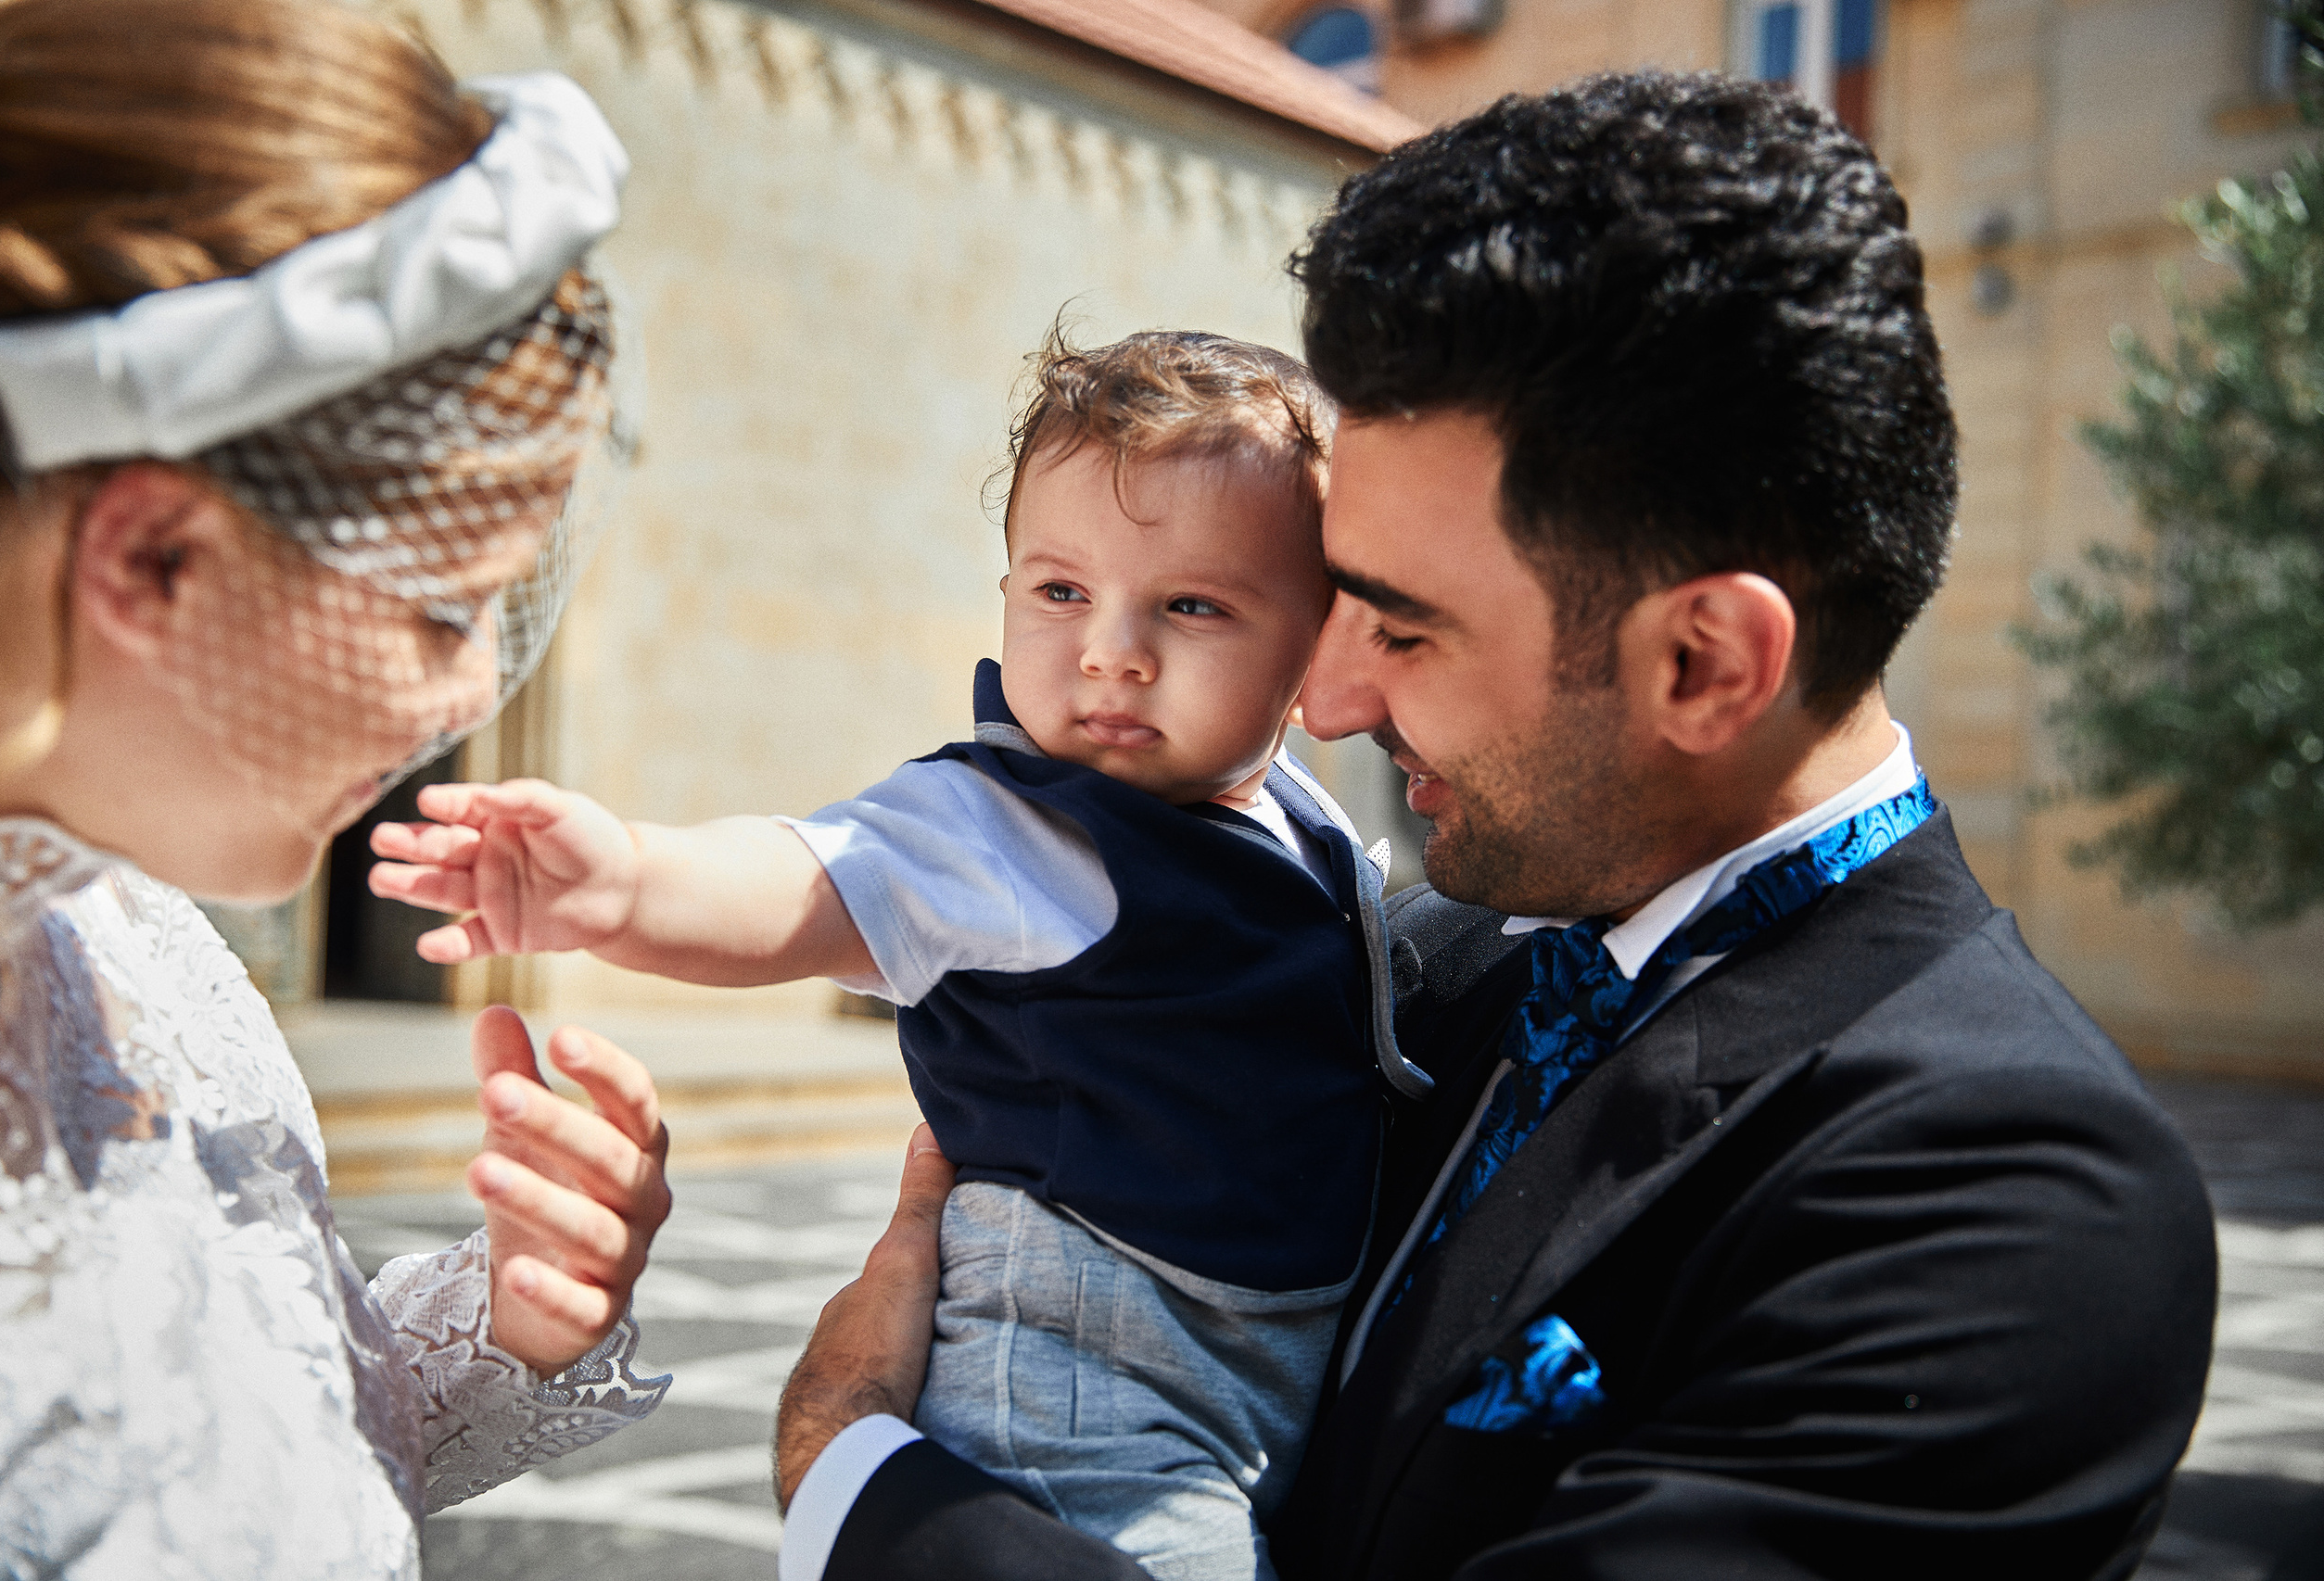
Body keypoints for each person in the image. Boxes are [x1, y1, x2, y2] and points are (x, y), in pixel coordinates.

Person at [769, 73, 2221, 1581]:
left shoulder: (2013, 1206)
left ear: (1705, 663)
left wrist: (852, 1467)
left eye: (1402, 627)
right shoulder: (1405, 960)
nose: (1329, 701)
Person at [370, 330, 1417, 1579]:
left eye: (1191, 606)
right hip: (1086, 1381)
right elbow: (816, 878)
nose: (1111, 650)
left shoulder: (1298, 816)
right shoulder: (1011, 828)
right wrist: (627, 882)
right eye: (1061, 592)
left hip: (1266, 1360)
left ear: (1317, 647)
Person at [0, 0, 673, 1571]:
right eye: (439, 608)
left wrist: (502, 1321)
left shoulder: (129, 935)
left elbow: (216, 1454)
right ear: (152, 556)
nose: (477, 691)